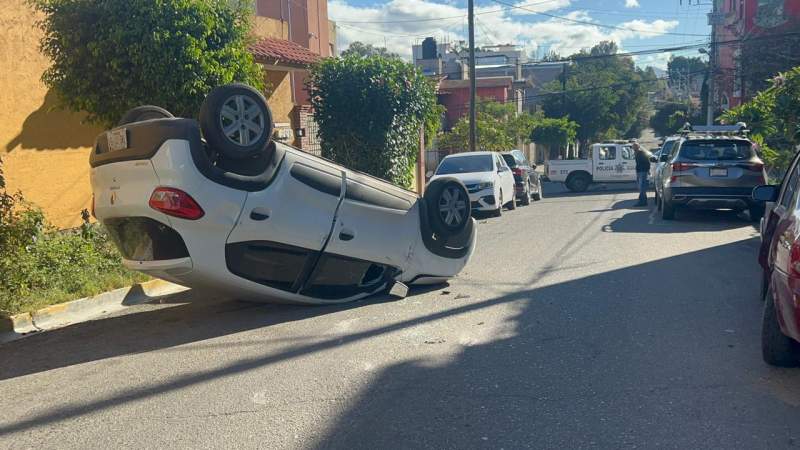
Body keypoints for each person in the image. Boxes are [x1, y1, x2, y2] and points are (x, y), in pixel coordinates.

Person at [633, 141, 652, 206]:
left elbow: (648, 162)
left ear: (638, 147)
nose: (634, 148)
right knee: (641, 187)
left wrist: (648, 170)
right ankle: (644, 201)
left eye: (635, 146)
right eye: (633, 146)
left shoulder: (641, 153)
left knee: (642, 187)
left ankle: (641, 201)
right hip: (639, 172)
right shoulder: (636, 153)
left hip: (643, 171)